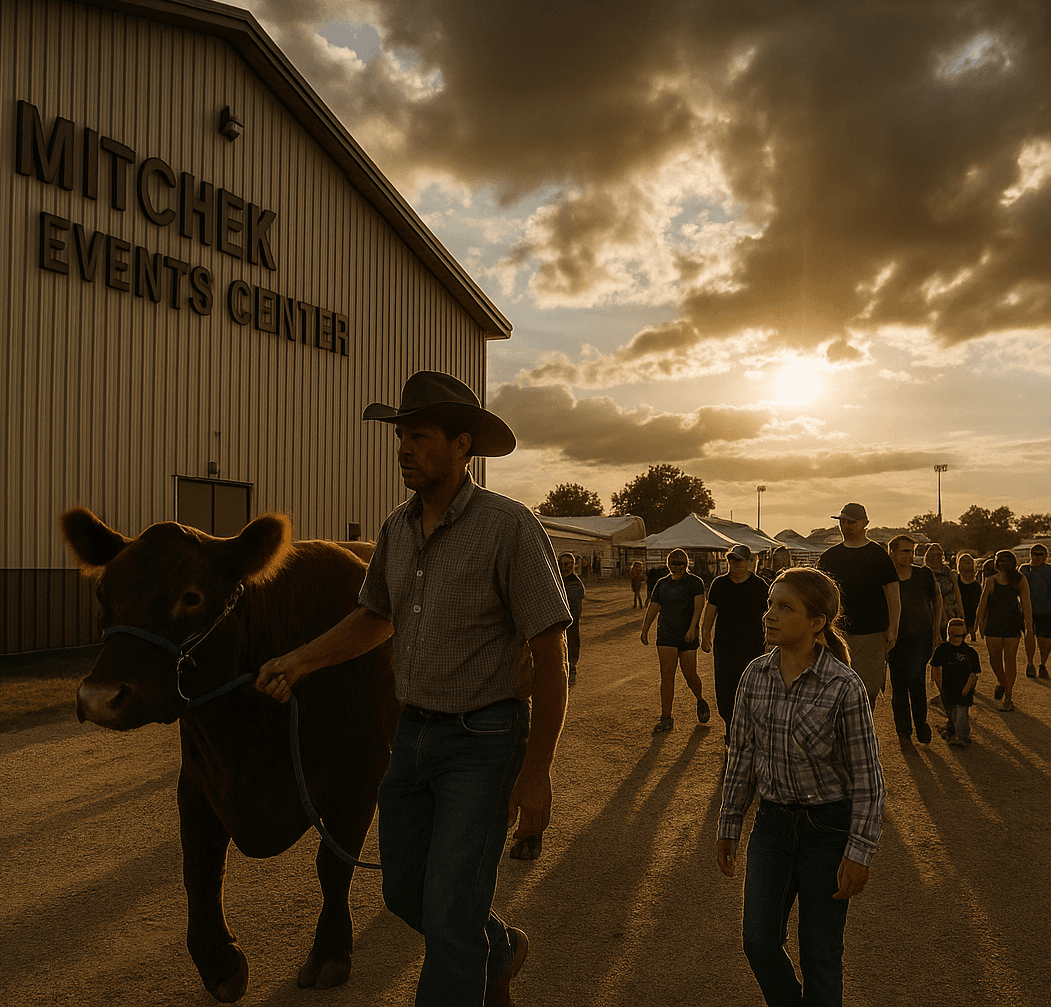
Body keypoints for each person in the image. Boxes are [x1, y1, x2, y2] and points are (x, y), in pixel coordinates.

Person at [255, 370, 571, 1007]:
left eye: (420, 436)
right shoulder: (397, 529)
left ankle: (471, 958)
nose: (403, 448)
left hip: (485, 741)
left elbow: (550, 656)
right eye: (400, 436)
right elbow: (376, 616)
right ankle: (498, 951)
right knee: (405, 891)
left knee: (451, 914)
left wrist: (537, 770)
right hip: (412, 737)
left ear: (462, 445)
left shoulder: (508, 527)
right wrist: (301, 660)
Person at [716, 567, 885, 1007]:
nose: (770, 615)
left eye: (785, 607)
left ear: (816, 622)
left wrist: (860, 851)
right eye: (770, 604)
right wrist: (729, 822)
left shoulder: (844, 686)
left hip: (827, 832)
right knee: (758, 941)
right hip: (771, 827)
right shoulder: (754, 675)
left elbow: (868, 776)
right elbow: (742, 755)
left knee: (820, 955)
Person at [817, 503, 900, 707]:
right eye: (843, 522)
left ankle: (864, 724)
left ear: (864, 523)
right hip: (836, 632)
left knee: (867, 688)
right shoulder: (829, 557)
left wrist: (893, 628)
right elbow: (818, 595)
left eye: (851, 522)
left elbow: (893, 596)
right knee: (834, 687)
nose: (846, 526)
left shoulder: (877, 554)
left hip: (871, 632)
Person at [702, 543, 771, 740]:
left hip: (753, 647)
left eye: (739, 561)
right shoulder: (719, 584)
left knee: (752, 688)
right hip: (725, 647)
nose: (735, 564)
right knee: (725, 688)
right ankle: (730, 730)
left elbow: (769, 615)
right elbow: (710, 611)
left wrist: (771, 641)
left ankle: (750, 732)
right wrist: (705, 634)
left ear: (749, 562)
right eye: (732, 560)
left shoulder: (760, 586)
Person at [641, 548, 711, 733]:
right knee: (667, 677)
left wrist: (692, 628)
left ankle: (700, 699)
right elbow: (654, 606)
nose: (676, 566)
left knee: (690, 675)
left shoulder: (695, 582)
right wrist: (645, 628)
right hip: (666, 634)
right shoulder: (662, 584)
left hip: (687, 635)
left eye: (680, 563)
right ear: (668, 564)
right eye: (673, 562)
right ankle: (666, 717)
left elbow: (699, 606)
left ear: (686, 564)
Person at [886, 535, 940, 744]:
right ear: (892, 552)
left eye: (912, 551)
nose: (910, 556)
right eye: (905, 551)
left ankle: (920, 723)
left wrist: (936, 630)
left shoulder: (923, 574)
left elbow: (936, 599)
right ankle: (903, 732)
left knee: (916, 677)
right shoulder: (887, 579)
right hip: (896, 639)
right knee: (899, 685)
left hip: (922, 636)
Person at [976, 549, 1031, 713]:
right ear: (996, 563)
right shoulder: (991, 580)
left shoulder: (1019, 579)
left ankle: (1008, 697)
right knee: (994, 660)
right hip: (993, 624)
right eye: (1001, 560)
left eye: (1007, 560)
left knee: (1010, 660)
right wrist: (978, 622)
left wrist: (1029, 626)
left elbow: (1027, 604)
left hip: (1012, 624)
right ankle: (1003, 683)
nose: (1004, 563)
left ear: (1013, 563)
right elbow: (983, 603)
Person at [930, 618, 980, 747]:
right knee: (952, 712)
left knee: (961, 712)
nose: (957, 639)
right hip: (948, 689)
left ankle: (963, 737)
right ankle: (951, 731)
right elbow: (935, 668)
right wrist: (940, 686)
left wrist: (967, 687)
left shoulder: (970, 653)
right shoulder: (942, 650)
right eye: (954, 635)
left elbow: (974, 673)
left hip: (963, 690)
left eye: (960, 635)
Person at [1019, 544, 1051, 679]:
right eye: (1034, 554)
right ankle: (1030, 663)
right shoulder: (1024, 570)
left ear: (1045, 556)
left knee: (1046, 640)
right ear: (1030, 555)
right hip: (1028, 611)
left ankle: (1043, 664)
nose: (1037, 557)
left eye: (1040, 554)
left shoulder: (1050, 570)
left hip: (1045, 610)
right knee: (1029, 636)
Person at [924, 543, 962, 642]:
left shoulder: (947, 571)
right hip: (932, 612)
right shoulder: (925, 572)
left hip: (950, 611)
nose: (935, 557)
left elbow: (956, 590)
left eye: (938, 555)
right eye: (932, 555)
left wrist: (961, 611)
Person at [560, 552, 586, 686]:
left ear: (573, 565)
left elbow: (578, 606)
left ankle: (572, 668)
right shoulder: (556, 580)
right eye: (561, 564)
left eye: (567, 564)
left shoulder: (576, 583)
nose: (564, 567)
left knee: (573, 643)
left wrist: (575, 620)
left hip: (571, 619)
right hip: (557, 619)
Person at [955, 553, 983, 641]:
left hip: (972, 610)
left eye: (969, 561)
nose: (967, 563)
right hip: (960, 609)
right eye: (963, 561)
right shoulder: (956, 580)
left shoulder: (976, 585)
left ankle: (972, 632)